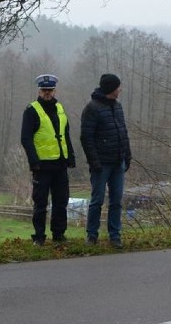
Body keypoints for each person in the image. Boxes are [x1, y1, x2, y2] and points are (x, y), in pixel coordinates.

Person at [20, 74, 76, 246]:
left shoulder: (60, 108)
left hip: (60, 164)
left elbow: (65, 135)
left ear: (54, 90)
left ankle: (59, 235)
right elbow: (26, 138)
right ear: (39, 90)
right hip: (42, 166)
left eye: (50, 90)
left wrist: (71, 157)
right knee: (41, 203)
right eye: (44, 90)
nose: (47, 93)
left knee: (61, 202)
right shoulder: (31, 110)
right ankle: (39, 236)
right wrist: (33, 161)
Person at [80, 73, 131, 248]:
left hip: (118, 161)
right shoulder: (92, 108)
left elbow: (123, 132)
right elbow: (86, 138)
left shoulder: (118, 107)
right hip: (101, 164)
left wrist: (127, 155)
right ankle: (91, 236)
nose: (120, 90)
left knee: (116, 200)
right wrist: (94, 162)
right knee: (97, 200)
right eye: (118, 87)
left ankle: (115, 235)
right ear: (111, 89)